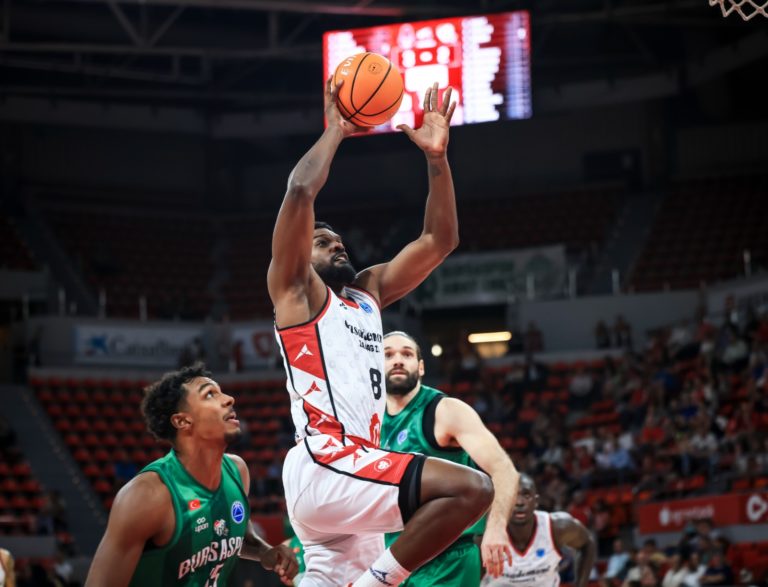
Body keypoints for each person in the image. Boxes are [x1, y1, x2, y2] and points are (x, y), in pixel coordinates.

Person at [268, 78, 494, 587]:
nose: (338, 246)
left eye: (341, 240)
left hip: (351, 471)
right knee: (471, 490)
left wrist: (437, 158)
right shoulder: (296, 293)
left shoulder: (366, 294)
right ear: (301, 254)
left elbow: (440, 239)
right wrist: (337, 131)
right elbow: (301, 190)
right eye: (324, 242)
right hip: (327, 462)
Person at [85, 363, 297, 587]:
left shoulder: (237, 471)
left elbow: (232, 536)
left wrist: (265, 553)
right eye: (209, 394)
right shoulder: (147, 496)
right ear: (182, 421)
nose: (228, 399)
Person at [381, 331, 520, 584]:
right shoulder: (369, 420)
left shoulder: (445, 411)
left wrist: (496, 528)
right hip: (393, 560)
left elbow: (504, 470)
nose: (398, 360)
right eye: (388, 355)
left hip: (447, 562)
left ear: (421, 367)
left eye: (407, 354)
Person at [481, 474, 596, 587]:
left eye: (526, 496)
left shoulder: (557, 527)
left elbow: (587, 543)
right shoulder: (485, 533)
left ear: (536, 501)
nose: (519, 502)